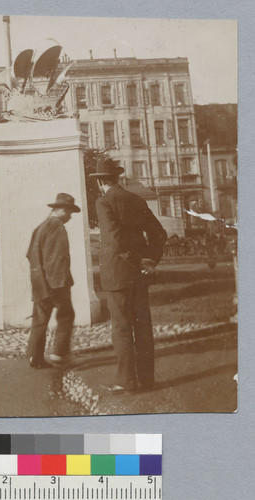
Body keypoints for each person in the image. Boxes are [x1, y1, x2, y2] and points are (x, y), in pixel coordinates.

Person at [91, 159, 167, 393]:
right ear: (117, 178)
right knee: (143, 326)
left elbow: (114, 238)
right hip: (140, 275)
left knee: (122, 328)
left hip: (117, 275)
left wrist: (135, 260)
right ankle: (146, 380)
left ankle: (127, 381)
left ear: (101, 181)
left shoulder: (103, 202)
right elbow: (159, 234)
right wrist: (149, 261)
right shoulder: (137, 199)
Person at [26, 193, 81, 368]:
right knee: (66, 316)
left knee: (40, 320)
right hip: (56, 283)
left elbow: (30, 254)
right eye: (70, 212)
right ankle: (59, 354)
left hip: (39, 282)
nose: (71, 217)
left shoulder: (41, 227)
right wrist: (60, 284)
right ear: (62, 209)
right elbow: (59, 258)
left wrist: (40, 279)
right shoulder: (57, 226)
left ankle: (34, 358)